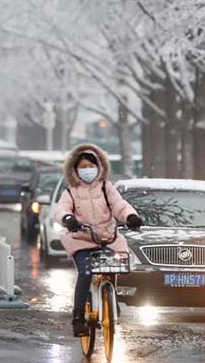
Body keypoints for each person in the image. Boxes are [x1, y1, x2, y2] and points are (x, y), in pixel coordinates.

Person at [53, 143, 142, 337]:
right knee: (85, 273)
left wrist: (130, 217)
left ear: (99, 166)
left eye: (90, 166)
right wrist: (68, 219)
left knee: (114, 267)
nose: (87, 170)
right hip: (81, 240)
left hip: (108, 239)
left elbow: (120, 205)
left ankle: (111, 300)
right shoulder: (70, 192)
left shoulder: (106, 188)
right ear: (74, 170)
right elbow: (61, 210)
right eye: (82, 167)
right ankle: (78, 317)